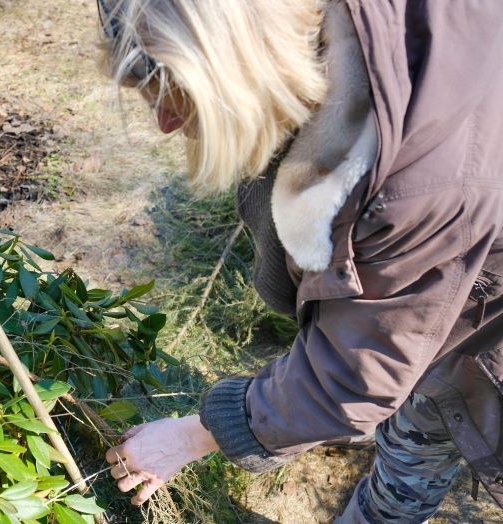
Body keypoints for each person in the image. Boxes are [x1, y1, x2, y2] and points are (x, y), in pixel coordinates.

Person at [96, 1, 503, 522]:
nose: (166, 125)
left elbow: (356, 378)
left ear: (251, 64)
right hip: (445, 284)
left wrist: (190, 436)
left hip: (481, 325)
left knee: (417, 444)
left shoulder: (410, 183)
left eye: (182, 99)